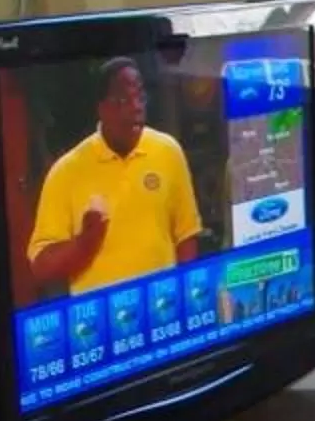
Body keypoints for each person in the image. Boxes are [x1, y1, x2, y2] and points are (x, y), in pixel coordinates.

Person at [26, 58, 203, 295]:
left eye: (140, 97)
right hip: (102, 315)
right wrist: (85, 242)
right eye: (123, 100)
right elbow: (41, 266)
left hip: (162, 308)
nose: (136, 107)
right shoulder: (67, 171)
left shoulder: (168, 152)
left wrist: (186, 295)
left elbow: (186, 236)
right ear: (101, 109)